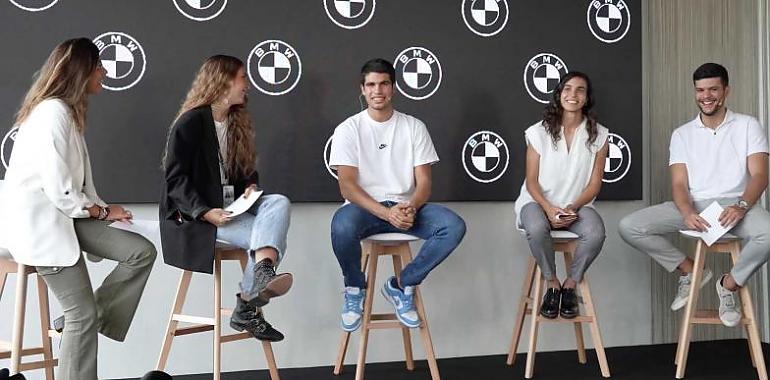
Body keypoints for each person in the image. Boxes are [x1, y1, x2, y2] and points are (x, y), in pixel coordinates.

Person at [0, 38, 157, 380]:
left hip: (65, 216)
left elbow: (76, 187)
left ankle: (81, 317)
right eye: (99, 66)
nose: (104, 71)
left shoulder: (67, 112)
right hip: (41, 227)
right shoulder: (52, 113)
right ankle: (79, 320)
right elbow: (61, 190)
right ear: (81, 71)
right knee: (80, 316)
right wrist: (100, 213)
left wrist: (104, 208)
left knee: (140, 252)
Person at [619, 63, 770, 326]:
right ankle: (692, 271)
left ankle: (729, 284)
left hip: (735, 205)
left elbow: (760, 175)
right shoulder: (682, 134)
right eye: (700, 90)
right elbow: (678, 184)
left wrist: (742, 205)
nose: (706, 96)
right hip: (695, 205)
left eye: (713, 89)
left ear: (726, 91)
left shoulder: (748, 125)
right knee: (630, 226)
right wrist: (687, 211)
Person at [160, 55, 292, 341]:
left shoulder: (236, 123)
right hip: (199, 218)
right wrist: (205, 211)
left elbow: (245, 172)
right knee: (268, 237)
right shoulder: (191, 122)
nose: (248, 85)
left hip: (232, 209)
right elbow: (175, 180)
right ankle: (247, 304)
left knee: (279, 202)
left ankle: (260, 277)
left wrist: (249, 187)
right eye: (243, 78)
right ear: (224, 81)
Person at [328, 58, 466, 331]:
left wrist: (410, 206)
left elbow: (424, 182)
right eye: (371, 85)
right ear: (362, 89)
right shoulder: (348, 129)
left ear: (393, 88)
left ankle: (402, 284)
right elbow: (347, 186)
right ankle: (355, 289)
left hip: (406, 207)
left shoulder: (414, 127)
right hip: (366, 209)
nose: (377, 91)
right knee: (341, 225)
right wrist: (386, 213)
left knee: (453, 226)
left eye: (383, 84)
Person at [514, 72, 609, 319]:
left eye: (580, 90)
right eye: (567, 89)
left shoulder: (600, 135)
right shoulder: (539, 132)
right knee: (535, 228)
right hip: (537, 203)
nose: (573, 95)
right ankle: (552, 283)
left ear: (587, 98)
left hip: (577, 207)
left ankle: (570, 284)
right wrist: (548, 208)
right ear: (559, 94)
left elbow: (594, 184)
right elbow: (532, 181)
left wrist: (572, 208)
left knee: (596, 232)